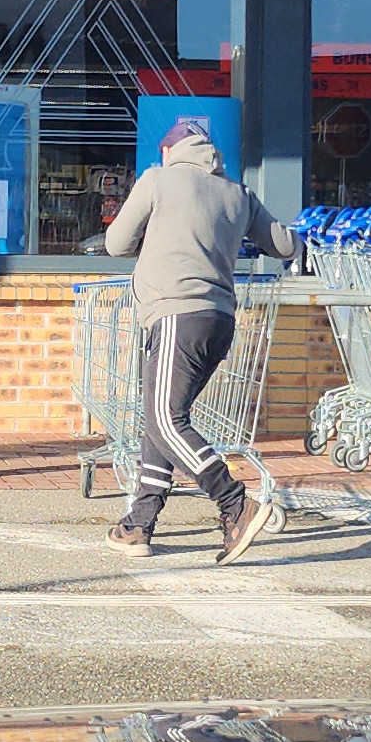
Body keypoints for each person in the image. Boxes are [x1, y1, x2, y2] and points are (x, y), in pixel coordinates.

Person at [100, 116, 299, 562]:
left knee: (166, 420)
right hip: (219, 319)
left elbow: (116, 243)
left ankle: (235, 504)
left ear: (168, 152)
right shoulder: (238, 193)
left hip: (177, 313)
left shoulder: (157, 181)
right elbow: (284, 245)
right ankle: (138, 524)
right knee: (162, 421)